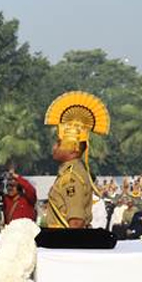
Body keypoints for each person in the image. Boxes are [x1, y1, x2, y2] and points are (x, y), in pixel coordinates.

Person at [43, 91, 110, 228]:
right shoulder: (69, 172)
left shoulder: (72, 177)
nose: (54, 147)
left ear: (74, 148)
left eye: (59, 143)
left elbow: (76, 222)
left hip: (66, 244)